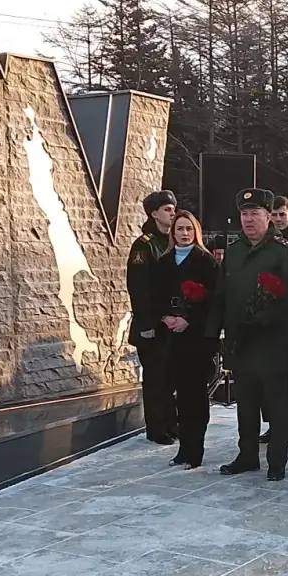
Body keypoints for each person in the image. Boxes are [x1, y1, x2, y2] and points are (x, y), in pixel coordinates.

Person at [207, 188, 288, 481]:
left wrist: (267, 317)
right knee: (245, 404)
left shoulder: (283, 252)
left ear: (269, 217)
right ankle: (247, 456)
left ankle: (277, 460)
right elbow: (221, 295)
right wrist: (214, 334)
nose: (249, 220)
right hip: (240, 342)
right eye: (244, 214)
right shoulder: (233, 253)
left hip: (273, 342)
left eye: (255, 213)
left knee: (278, 404)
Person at [151, 211, 219, 469]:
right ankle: (182, 448)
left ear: (196, 232)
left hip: (195, 339)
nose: (184, 233)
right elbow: (153, 294)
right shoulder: (164, 261)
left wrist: (189, 319)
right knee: (176, 396)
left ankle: (195, 450)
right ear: (173, 232)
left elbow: (214, 300)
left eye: (189, 229)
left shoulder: (206, 262)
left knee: (195, 397)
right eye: (179, 229)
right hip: (170, 338)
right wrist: (165, 317)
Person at [127, 189, 178, 443]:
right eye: (167, 209)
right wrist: (146, 323)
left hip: (170, 324)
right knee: (156, 379)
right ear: (154, 213)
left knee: (171, 378)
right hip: (152, 325)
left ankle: (171, 423)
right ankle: (156, 428)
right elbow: (138, 287)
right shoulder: (144, 244)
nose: (172, 213)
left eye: (173, 209)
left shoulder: (173, 241)